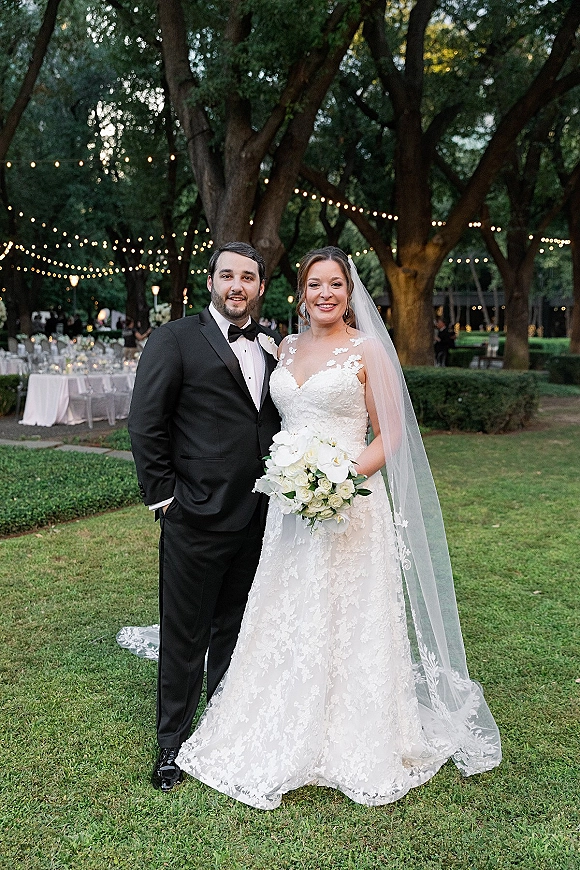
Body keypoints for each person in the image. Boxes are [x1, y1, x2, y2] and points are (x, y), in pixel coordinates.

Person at [172, 246, 501, 809]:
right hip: (289, 506)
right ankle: (283, 716)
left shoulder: (368, 349)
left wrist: (341, 480)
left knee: (349, 614)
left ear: (350, 294)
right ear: (300, 293)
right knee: (288, 609)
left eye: (336, 285)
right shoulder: (286, 347)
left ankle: (356, 731)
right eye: (314, 284)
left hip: (351, 502)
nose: (325, 294)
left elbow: (389, 434)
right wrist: (296, 480)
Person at [127, 242, 281, 793]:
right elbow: (146, 422)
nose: (237, 285)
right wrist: (164, 499)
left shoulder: (271, 344)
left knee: (235, 626)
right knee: (185, 633)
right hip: (194, 513)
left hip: (260, 511)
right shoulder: (175, 338)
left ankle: (222, 727)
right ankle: (171, 744)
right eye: (227, 276)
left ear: (260, 288)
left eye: (247, 277)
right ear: (211, 282)